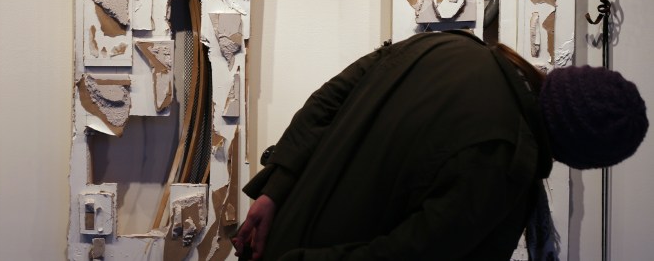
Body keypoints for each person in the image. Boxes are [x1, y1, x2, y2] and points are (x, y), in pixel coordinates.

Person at [233, 30, 648, 261]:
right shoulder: (504, 161)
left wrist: (275, 189)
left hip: (276, 229)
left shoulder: (451, 46)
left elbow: (328, 100)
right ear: (578, 152)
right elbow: (408, 257)